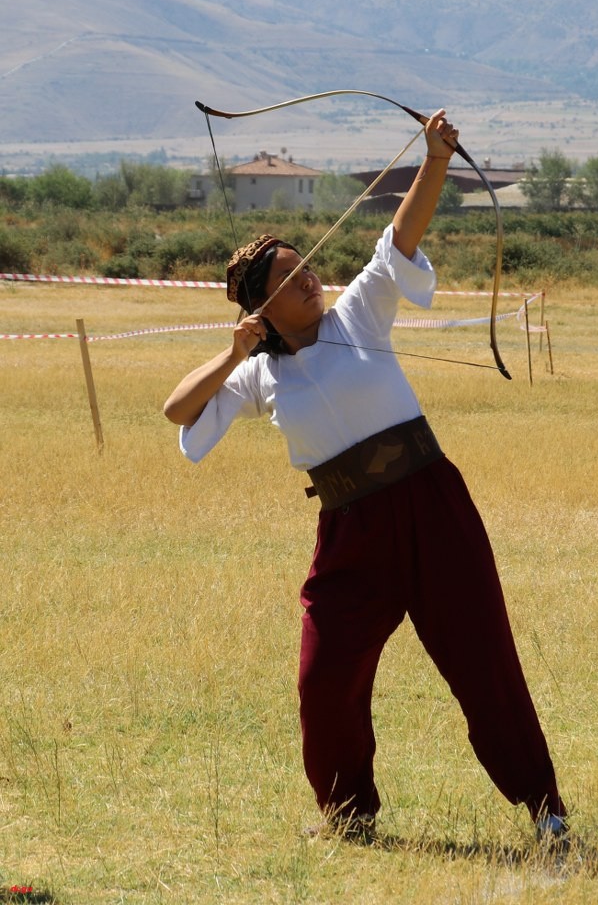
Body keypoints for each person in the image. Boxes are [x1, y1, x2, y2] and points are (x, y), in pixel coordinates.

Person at [163, 110, 567, 843]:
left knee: (484, 665)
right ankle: (348, 818)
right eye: (290, 278)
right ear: (261, 307)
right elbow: (177, 411)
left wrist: (434, 158)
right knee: (324, 683)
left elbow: (398, 240)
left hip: (431, 507)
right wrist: (231, 354)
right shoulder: (259, 376)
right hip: (349, 535)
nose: (310, 279)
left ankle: (547, 812)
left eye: (307, 266)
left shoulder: (359, 314)